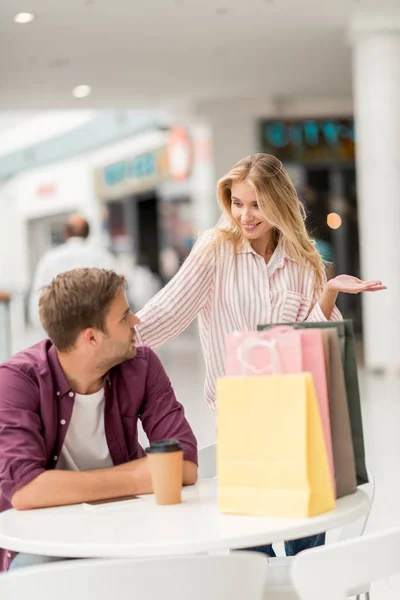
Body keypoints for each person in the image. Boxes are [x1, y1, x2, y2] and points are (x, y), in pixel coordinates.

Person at [135, 153, 386, 556]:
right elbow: (169, 309)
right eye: (237, 203)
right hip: (240, 420)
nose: (245, 215)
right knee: (251, 548)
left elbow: (308, 340)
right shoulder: (216, 249)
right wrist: (115, 339)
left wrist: (328, 292)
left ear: (279, 202)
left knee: (307, 546)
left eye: (257, 204)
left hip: (299, 418)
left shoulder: (303, 260)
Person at [0, 268, 198, 572]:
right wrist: (138, 477)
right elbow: (27, 491)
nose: (137, 321)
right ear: (91, 337)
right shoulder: (17, 381)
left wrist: (59, 487)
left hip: (128, 524)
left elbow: (184, 464)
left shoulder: (142, 365)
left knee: (191, 564)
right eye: (124, 317)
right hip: (48, 536)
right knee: (30, 569)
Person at [29, 214, 117, 326]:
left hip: (59, 331)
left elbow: (37, 302)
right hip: (96, 329)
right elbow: (117, 293)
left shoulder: (49, 260)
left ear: (65, 233)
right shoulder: (103, 257)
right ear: (88, 233)